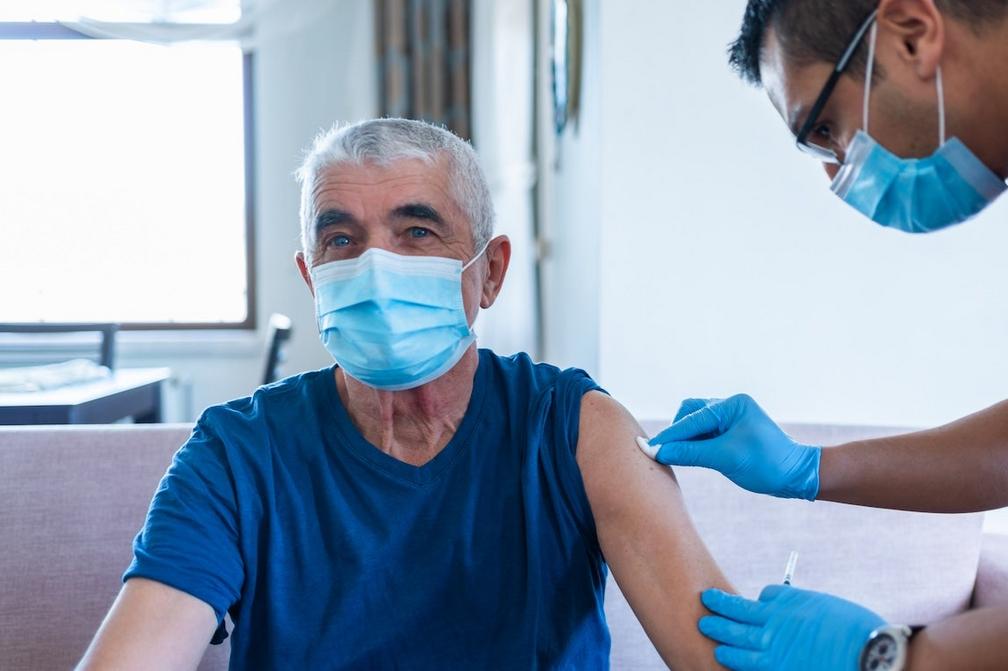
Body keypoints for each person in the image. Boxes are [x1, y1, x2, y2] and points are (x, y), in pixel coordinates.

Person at [77, 119, 734, 670]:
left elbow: (715, 656)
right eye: (341, 239)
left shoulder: (576, 430)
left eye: (417, 232)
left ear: (490, 271)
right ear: (311, 278)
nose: (374, 267)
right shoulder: (236, 453)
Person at [647, 1, 1008, 669]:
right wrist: (808, 467)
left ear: (911, 34)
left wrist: (897, 655)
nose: (834, 173)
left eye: (825, 129)